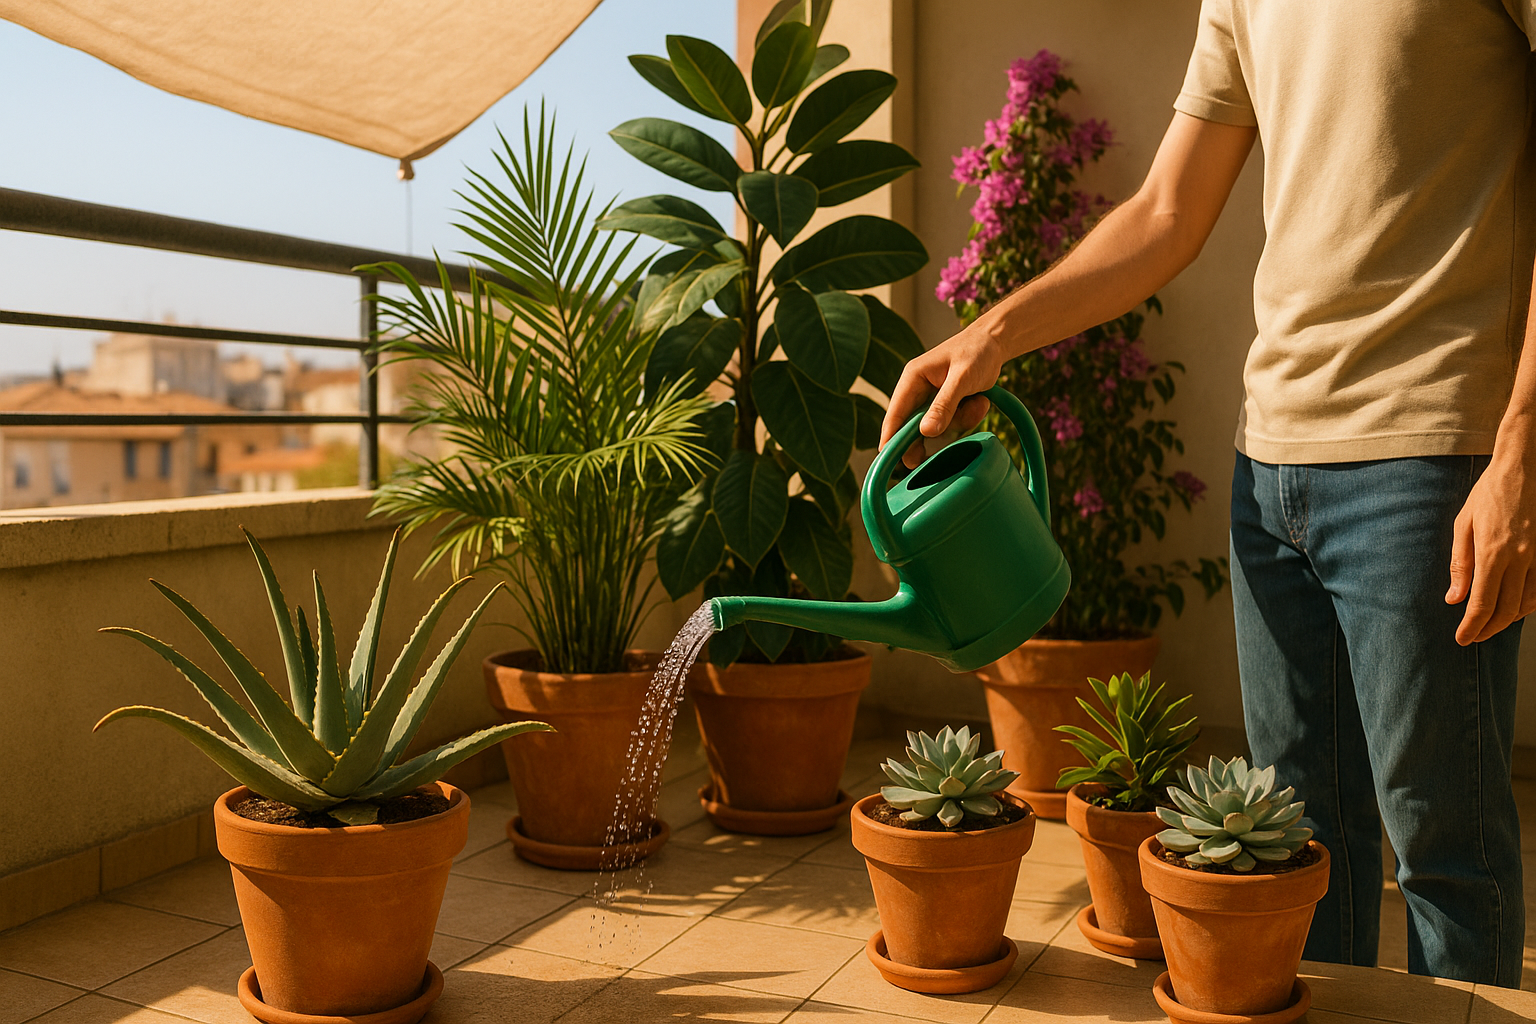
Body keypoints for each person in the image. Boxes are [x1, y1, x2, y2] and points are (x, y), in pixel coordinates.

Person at [881, 2, 1536, 987]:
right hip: (1269, 473)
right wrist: (991, 336)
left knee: (1445, 851)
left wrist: (1521, 456)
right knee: (1304, 843)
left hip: (1427, 455)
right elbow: (1165, 213)